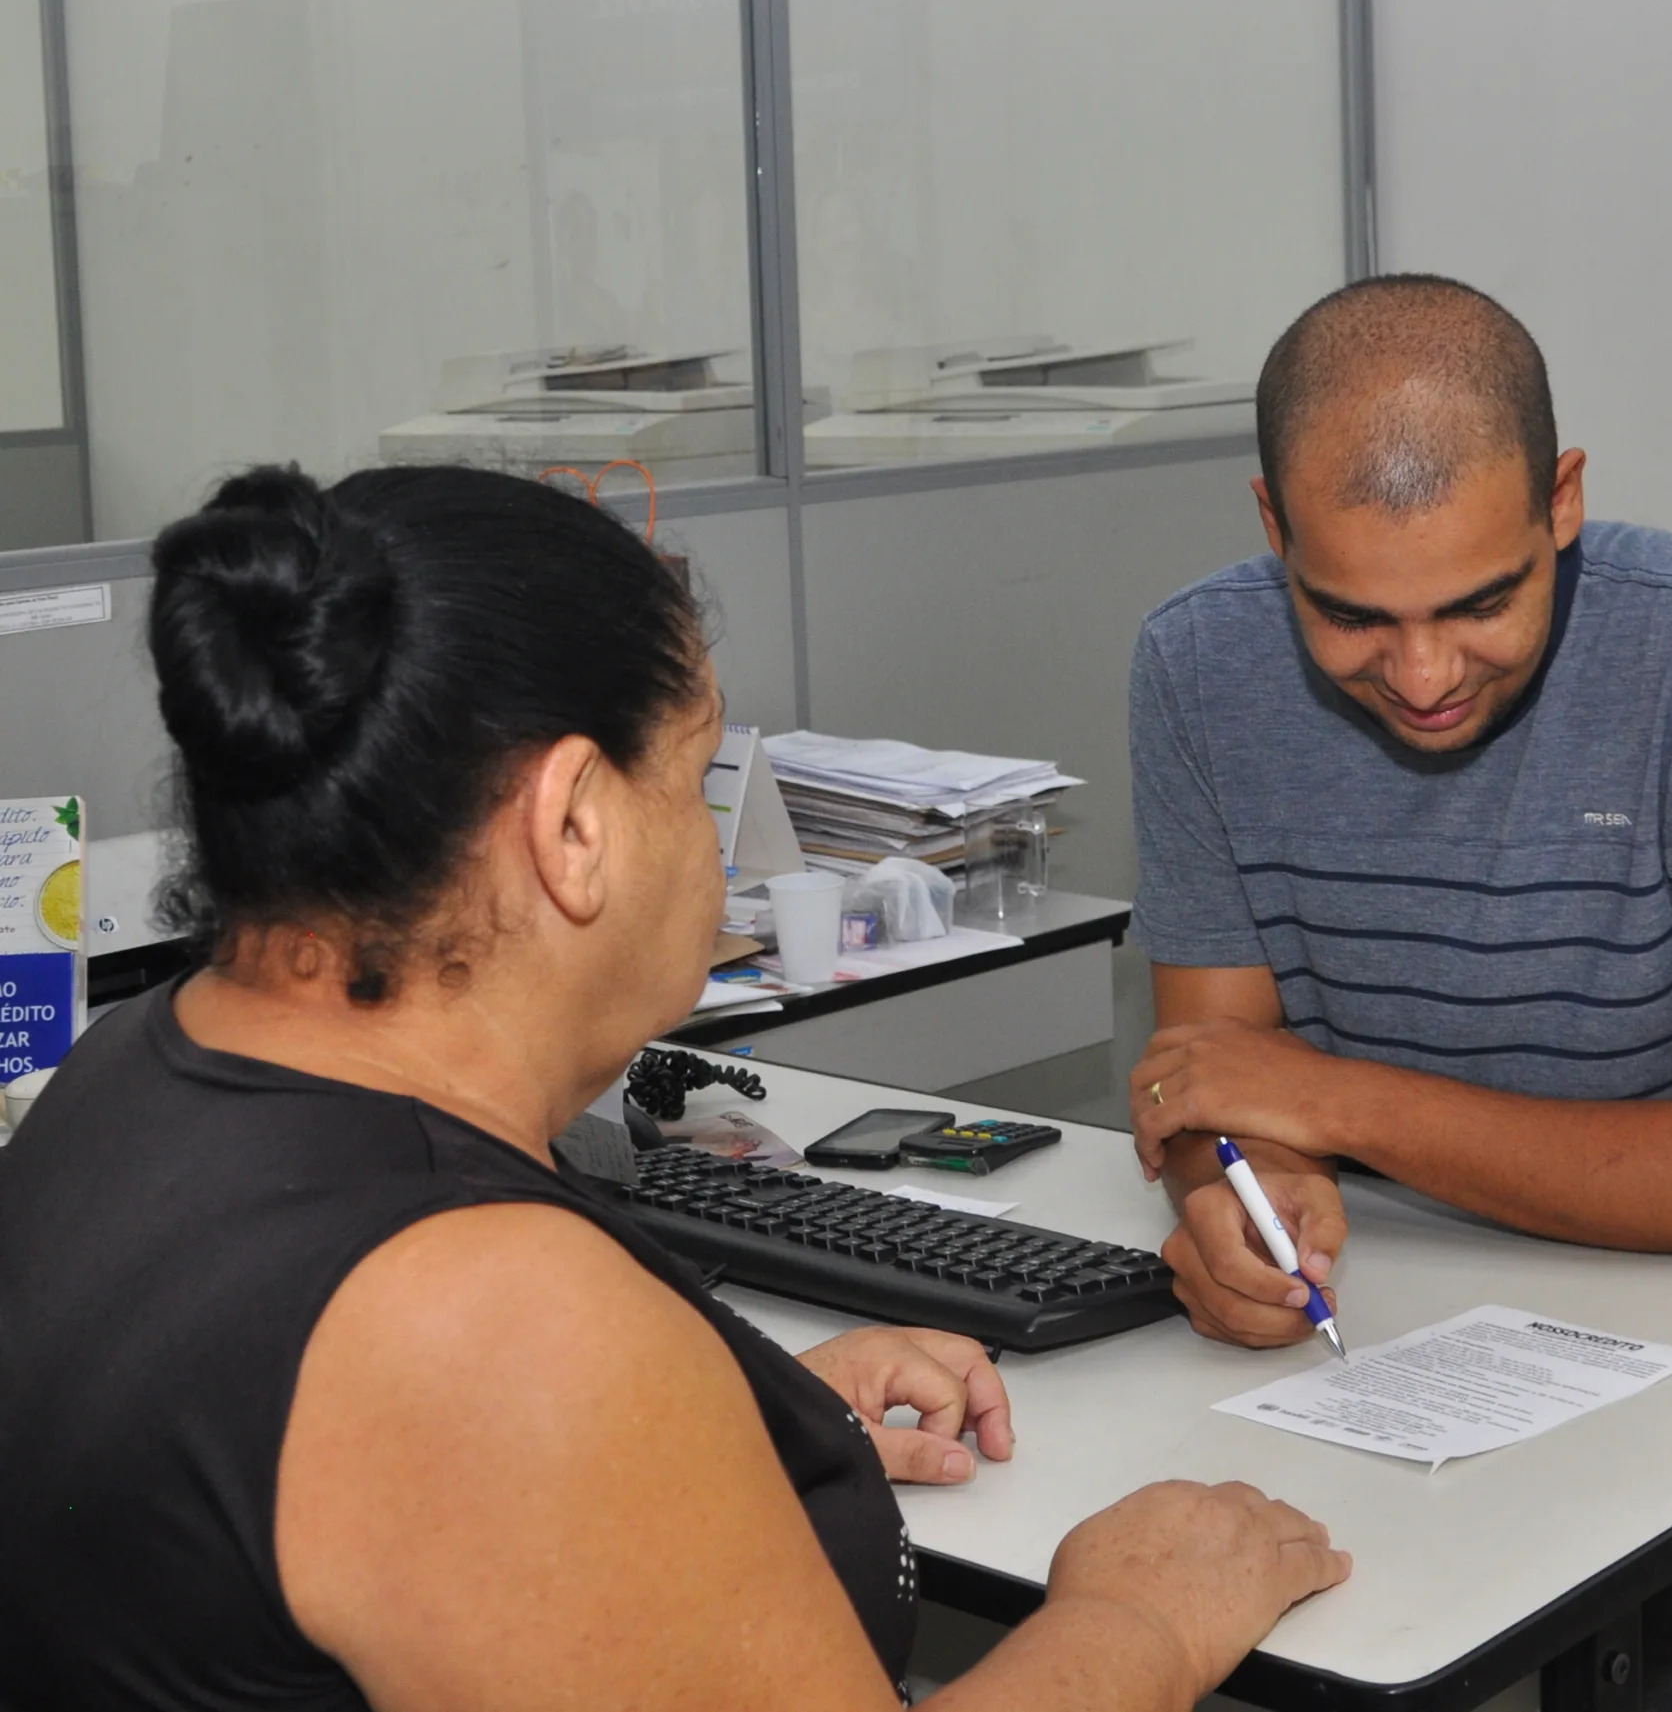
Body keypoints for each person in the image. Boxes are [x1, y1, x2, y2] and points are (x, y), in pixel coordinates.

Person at [0, 465, 1348, 1711]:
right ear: (574, 824)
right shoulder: (490, 1323)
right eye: (697, 782)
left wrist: (709, 1427)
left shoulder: (127, 1073)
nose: (716, 861)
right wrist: (1143, 1619)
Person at [1122, 275, 1672, 1681]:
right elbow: (1214, 1079)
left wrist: (1336, 1109)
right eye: (1351, 613)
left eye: (1483, 601)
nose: (1424, 672)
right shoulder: (1197, 663)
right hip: (1379, 1328)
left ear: (1563, 500)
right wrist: (1235, 1192)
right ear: (1271, 530)